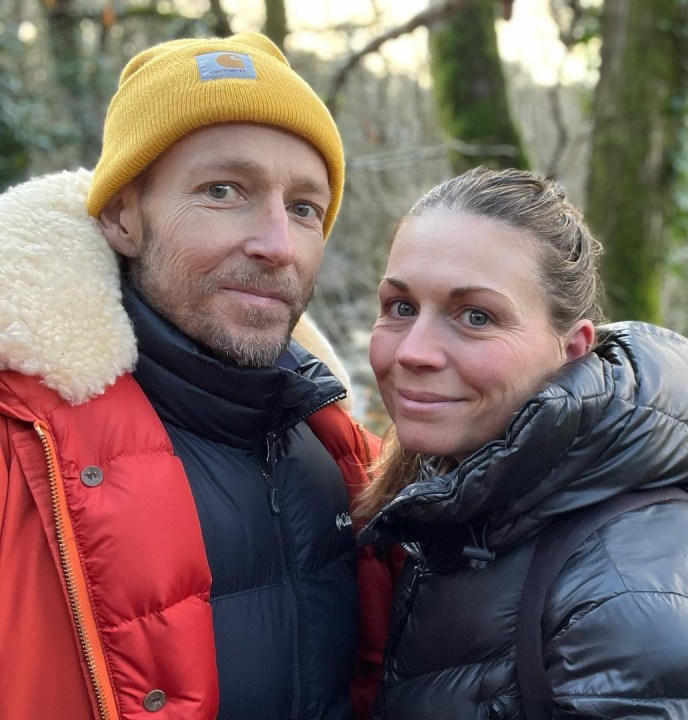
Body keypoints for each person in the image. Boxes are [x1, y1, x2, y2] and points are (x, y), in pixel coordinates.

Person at [0, 33, 395, 720]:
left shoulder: (350, 460)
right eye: (224, 191)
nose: (276, 245)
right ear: (123, 214)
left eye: (304, 207)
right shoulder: (21, 455)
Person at [355, 166, 688, 718]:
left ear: (573, 348)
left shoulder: (639, 595)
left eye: (476, 316)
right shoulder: (455, 513)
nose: (414, 351)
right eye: (401, 307)